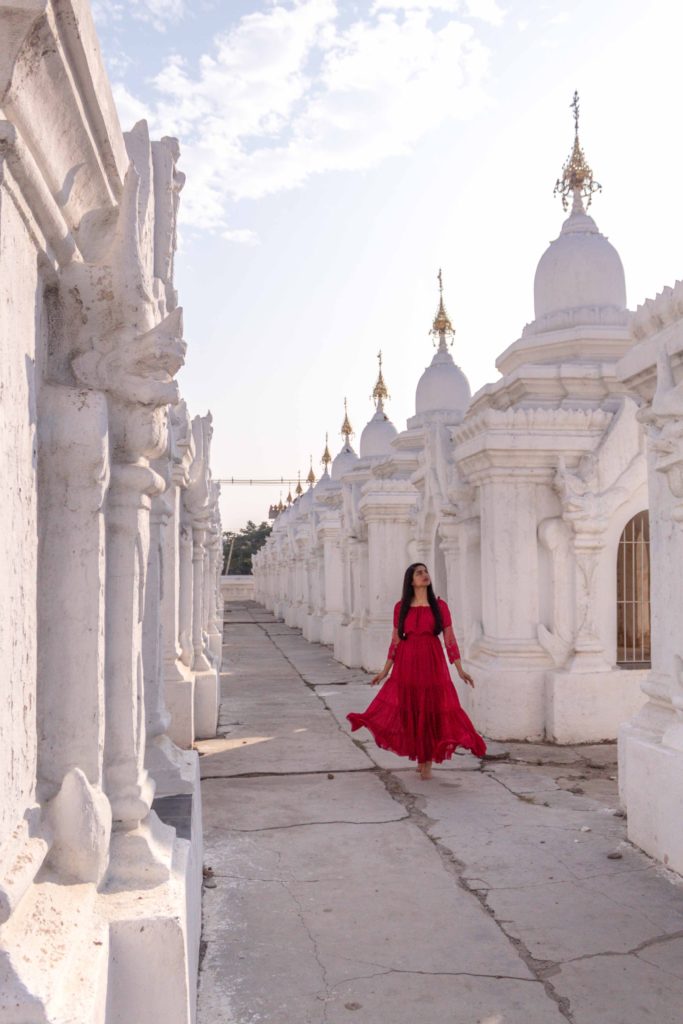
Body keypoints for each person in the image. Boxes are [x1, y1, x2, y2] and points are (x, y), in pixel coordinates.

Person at [347, 563, 486, 780]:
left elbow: (449, 639)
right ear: (411, 581)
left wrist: (459, 669)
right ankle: (421, 758)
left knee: (431, 709)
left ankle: (428, 761)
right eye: (419, 573)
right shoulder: (400, 607)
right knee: (410, 710)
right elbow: (395, 641)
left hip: (432, 660)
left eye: (426, 571)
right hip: (407, 662)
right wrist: (384, 671)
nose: (425, 575)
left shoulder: (440, 606)